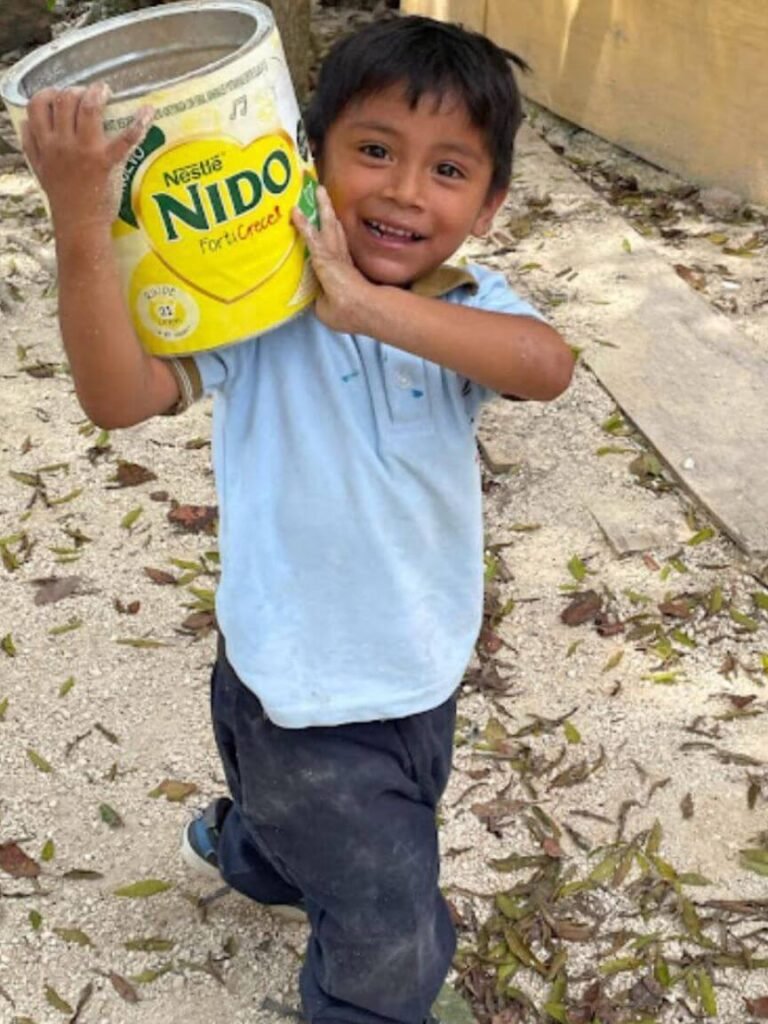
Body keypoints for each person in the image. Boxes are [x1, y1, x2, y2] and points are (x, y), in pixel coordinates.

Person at [22, 15, 573, 1024]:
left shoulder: (465, 304)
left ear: (490, 206)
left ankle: (249, 848)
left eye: (449, 170)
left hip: (420, 669)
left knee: (322, 832)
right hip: (298, 696)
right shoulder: (258, 312)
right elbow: (116, 394)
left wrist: (366, 305)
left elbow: (547, 366)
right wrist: (80, 222)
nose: (406, 190)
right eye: (373, 151)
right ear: (301, 158)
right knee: (389, 927)